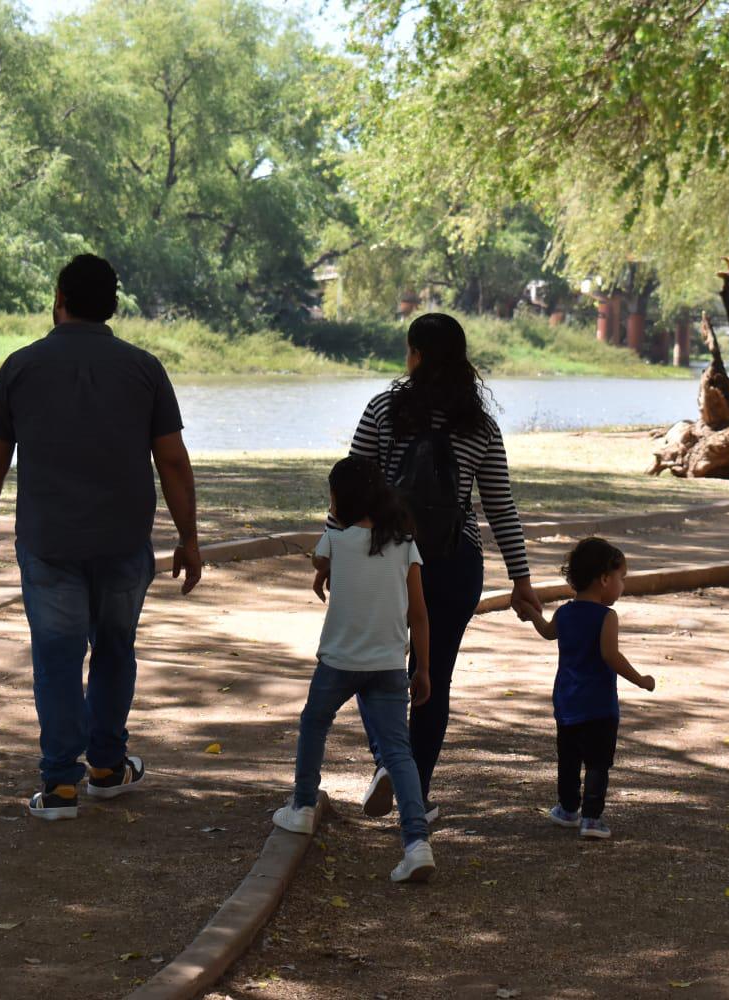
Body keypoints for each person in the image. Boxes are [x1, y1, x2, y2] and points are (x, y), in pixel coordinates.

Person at [0, 253, 202, 821]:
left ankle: (60, 786)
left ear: (59, 299)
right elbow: (172, 460)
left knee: (57, 658)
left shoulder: (21, 367)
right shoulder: (144, 369)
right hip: (123, 541)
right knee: (116, 651)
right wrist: (190, 539)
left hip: (49, 543)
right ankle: (106, 767)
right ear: (113, 306)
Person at [324, 313, 543, 823]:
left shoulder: (383, 409)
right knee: (433, 677)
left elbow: (351, 490)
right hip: (453, 561)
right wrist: (521, 579)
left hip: (385, 557)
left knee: (371, 666)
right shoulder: (479, 425)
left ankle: (385, 762)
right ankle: (414, 794)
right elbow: (500, 506)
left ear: (416, 354)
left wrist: (334, 550)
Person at [274, 457, 436, 882]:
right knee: (399, 752)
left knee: (314, 722)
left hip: (339, 663)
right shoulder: (405, 545)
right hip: (389, 665)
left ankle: (303, 805)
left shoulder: (334, 540)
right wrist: (423, 669)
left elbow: (318, 563)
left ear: (341, 500)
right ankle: (417, 842)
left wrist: (326, 570)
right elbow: (418, 614)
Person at [521, 537, 654, 840]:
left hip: (567, 703)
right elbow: (611, 656)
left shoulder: (565, 613)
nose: (622, 586)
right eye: (622, 578)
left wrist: (531, 612)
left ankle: (568, 809)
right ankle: (591, 818)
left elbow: (546, 632)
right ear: (605, 579)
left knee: (568, 760)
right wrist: (641, 680)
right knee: (598, 763)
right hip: (599, 706)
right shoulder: (607, 617)